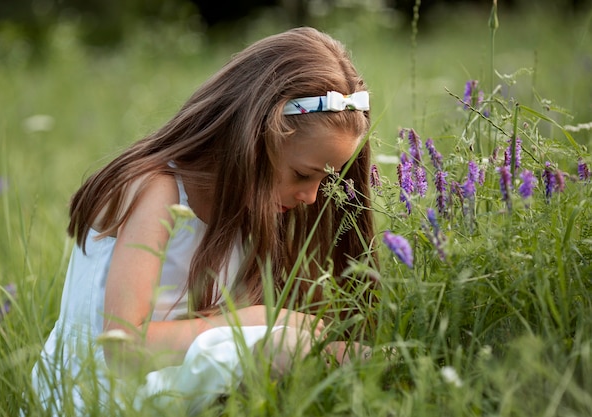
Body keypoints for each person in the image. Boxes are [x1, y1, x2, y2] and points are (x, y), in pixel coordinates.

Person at [30, 26, 377, 415]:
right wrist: (255, 322)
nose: (311, 197)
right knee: (284, 352)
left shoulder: (246, 209)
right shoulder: (157, 190)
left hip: (171, 385)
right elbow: (121, 350)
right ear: (257, 137)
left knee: (342, 357)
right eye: (302, 174)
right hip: (97, 398)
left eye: (323, 181)